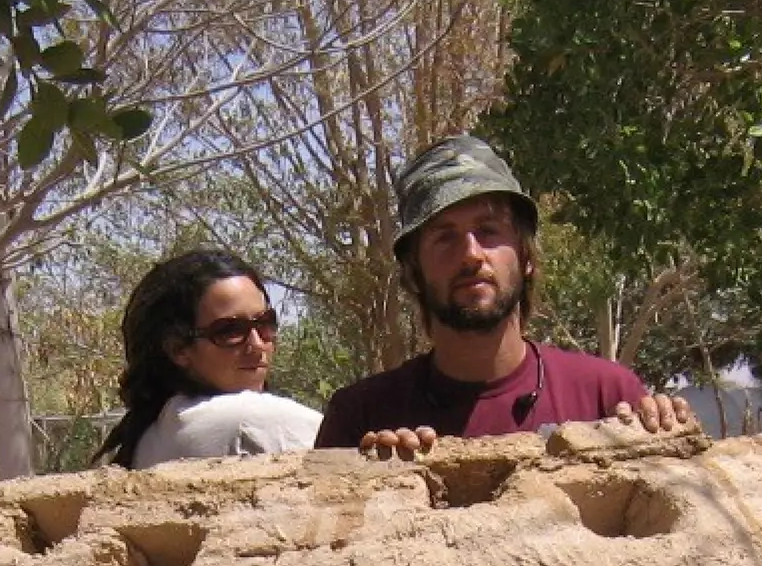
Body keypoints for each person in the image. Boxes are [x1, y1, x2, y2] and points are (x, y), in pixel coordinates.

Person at [315, 136, 695, 459]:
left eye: (489, 230)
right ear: (414, 272)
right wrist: (378, 485)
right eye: (445, 237)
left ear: (525, 256)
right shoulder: (361, 417)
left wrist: (665, 427)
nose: (471, 254)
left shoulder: (608, 397)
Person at [95, 250, 322, 470]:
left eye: (265, 323)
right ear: (178, 349)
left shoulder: (149, 435)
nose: (257, 344)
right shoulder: (251, 420)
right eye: (230, 331)